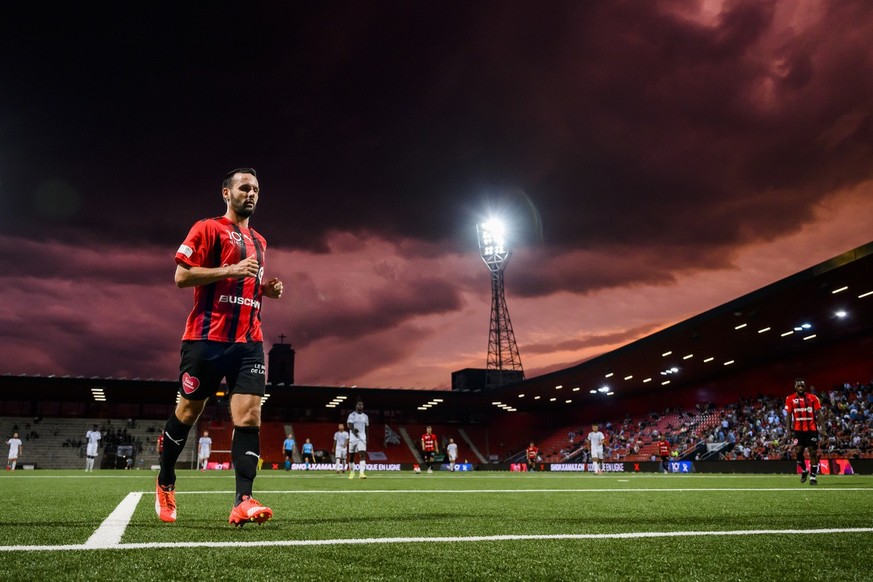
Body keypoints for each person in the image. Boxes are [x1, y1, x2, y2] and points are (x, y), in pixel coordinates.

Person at [155, 168, 284, 526]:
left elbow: (246, 284)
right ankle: (166, 480)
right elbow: (182, 277)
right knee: (186, 414)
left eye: (256, 188)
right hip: (205, 340)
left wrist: (265, 290)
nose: (252, 193)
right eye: (244, 187)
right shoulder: (207, 228)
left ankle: (243, 500)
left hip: (248, 342)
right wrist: (232, 269)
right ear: (226, 193)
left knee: (249, 415)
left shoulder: (260, 240)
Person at [785, 378, 825, 485]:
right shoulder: (790, 399)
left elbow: (819, 414)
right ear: (795, 387)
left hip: (812, 430)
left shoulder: (813, 398)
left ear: (805, 386)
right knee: (798, 451)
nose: (800, 388)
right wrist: (788, 430)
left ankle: (813, 477)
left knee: (812, 452)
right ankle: (804, 470)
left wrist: (823, 429)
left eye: (802, 385)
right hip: (798, 430)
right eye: (798, 386)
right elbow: (788, 416)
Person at [347, 399, 369, 479]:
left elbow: (367, 428)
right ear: (356, 406)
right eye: (359, 404)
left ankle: (361, 473)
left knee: (362, 454)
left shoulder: (365, 416)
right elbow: (349, 425)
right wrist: (354, 430)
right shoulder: (351, 415)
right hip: (353, 437)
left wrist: (367, 438)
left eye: (361, 405)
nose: (360, 406)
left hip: (362, 438)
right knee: (352, 456)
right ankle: (352, 472)